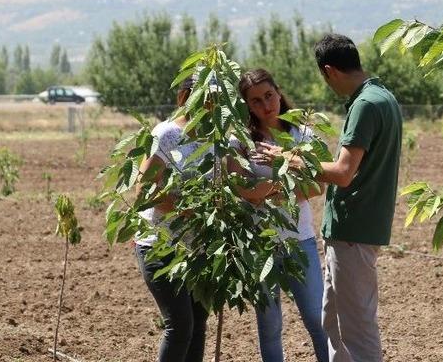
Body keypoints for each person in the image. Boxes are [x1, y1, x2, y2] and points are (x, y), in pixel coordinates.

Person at [254, 34, 402, 362]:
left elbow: (343, 173)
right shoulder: (383, 97)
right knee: (334, 322)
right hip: (353, 230)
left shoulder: (365, 104)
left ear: (329, 71)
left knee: (357, 330)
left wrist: (287, 159)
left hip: (354, 230)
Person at [229, 68, 328, 362]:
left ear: (279, 91)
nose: (265, 104)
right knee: (270, 326)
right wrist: (286, 186)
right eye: (256, 100)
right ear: (247, 105)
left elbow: (318, 185)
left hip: (301, 242)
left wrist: (268, 192)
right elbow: (243, 189)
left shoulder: (303, 134)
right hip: (259, 245)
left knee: (317, 320)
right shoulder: (242, 142)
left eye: (269, 95)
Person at [133, 76, 210, 362]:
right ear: (184, 97)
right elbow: (144, 190)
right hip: (161, 245)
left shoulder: (215, 140)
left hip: (200, 251)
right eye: (202, 97)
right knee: (180, 326)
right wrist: (187, 211)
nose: (210, 105)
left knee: (198, 326)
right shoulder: (166, 134)